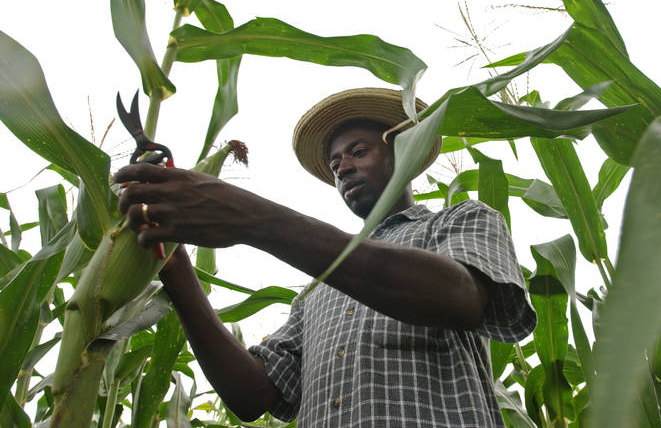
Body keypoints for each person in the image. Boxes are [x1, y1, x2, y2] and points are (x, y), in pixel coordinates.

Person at [114, 87, 536, 427]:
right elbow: (252, 396)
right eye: (335, 164)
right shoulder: (316, 292)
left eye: (358, 151)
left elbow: (461, 298)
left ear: (404, 153)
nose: (343, 168)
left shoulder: (460, 221)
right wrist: (174, 263)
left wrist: (254, 219)